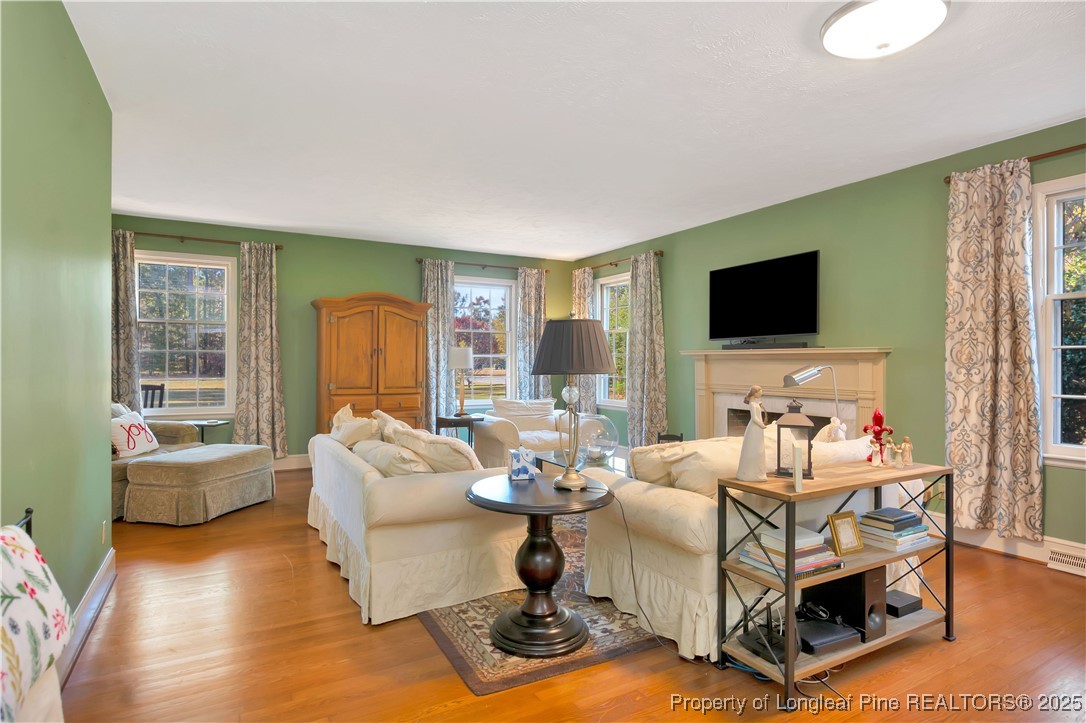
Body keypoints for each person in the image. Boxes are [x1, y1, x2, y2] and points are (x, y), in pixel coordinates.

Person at [737, 385, 768, 482]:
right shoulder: (752, 404)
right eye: (760, 391)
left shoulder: (755, 403)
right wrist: (762, 425)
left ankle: (758, 473)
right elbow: (754, 418)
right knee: (754, 449)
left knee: (758, 449)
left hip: (758, 429)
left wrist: (760, 406)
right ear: (755, 393)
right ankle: (751, 474)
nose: (761, 392)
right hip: (755, 428)